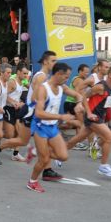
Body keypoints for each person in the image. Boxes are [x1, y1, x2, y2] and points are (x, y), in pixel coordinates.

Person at [27, 63, 83, 193]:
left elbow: (78, 95)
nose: (67, 80)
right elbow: (38, 113)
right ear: (58, 74)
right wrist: (61, 117)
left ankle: (37, 151)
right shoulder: (43, 89)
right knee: (44, 160)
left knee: (63, 156)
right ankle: (32, 182)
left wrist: (79, 104)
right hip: (40, 127)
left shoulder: (62, 87)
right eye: (66, 77)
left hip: (52, 127)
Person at [67, 65, 111, 176]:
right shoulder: (100, 87)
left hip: (99, 117)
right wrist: (88, 113)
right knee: (109, 138)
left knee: (76, 139)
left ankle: (56, 155)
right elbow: (84, 97)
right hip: (92, 117)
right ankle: (103, 166)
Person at [63, 64, 90, 150]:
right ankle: (76, 143)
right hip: (73, 103)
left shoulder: (81, 80)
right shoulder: (78, 80)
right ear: (80, 71)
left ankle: (61, 124)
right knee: (80, 124)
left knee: (73, 124)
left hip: (71, 103)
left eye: (88, 72)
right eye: (85, 72)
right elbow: (79, 92)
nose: (87, 73)